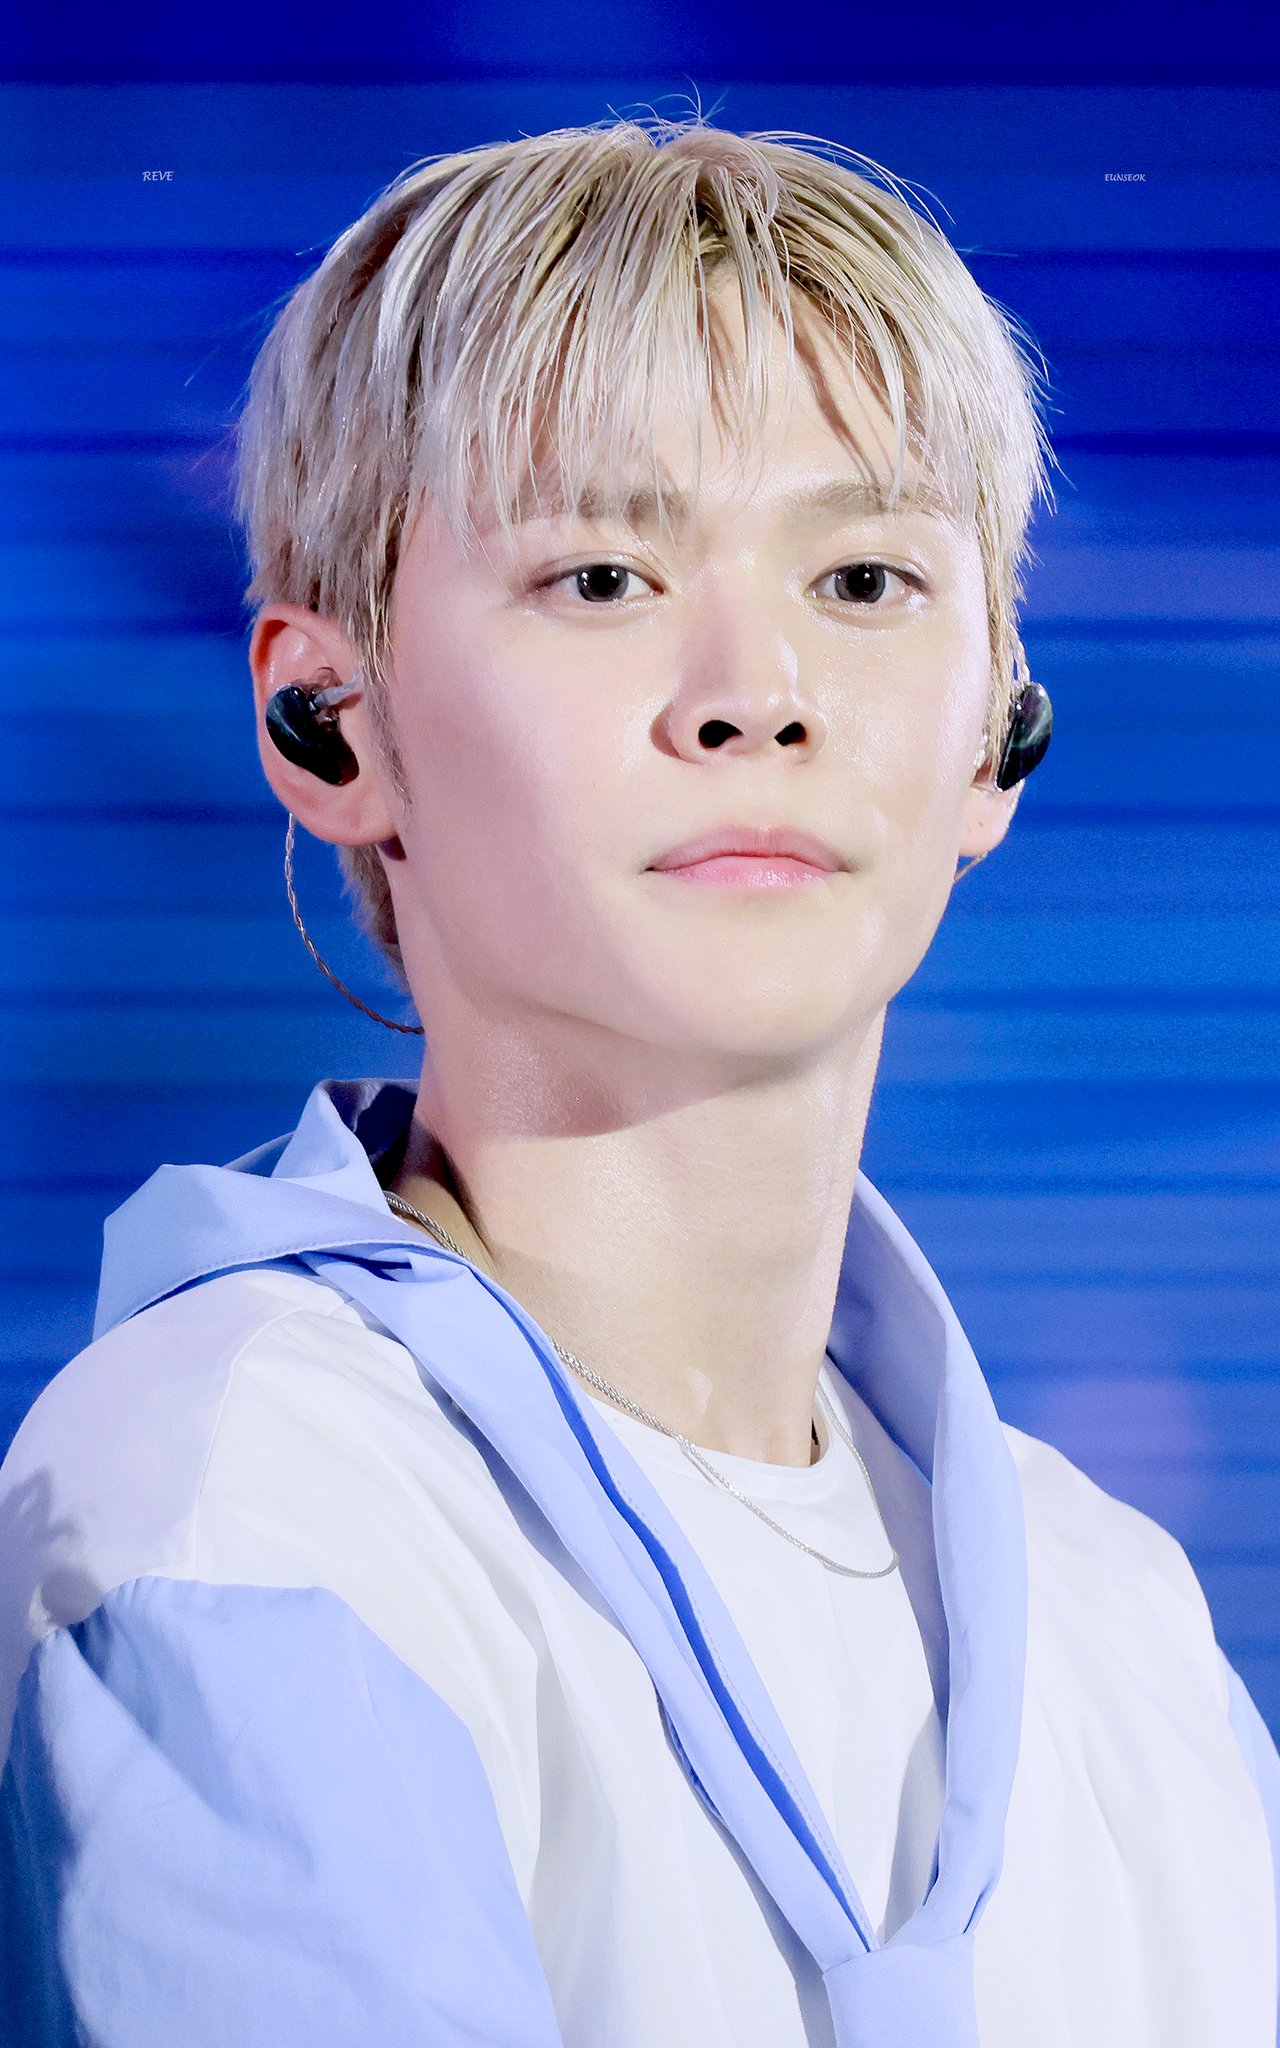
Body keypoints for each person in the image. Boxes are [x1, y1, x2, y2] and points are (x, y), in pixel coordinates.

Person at [0, 116, 1275, 2048]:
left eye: (865, 578)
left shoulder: (1126, 1622)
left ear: (1000, 734)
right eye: (600, 575)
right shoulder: (242, 1499)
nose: (756, 693)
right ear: (326, 719)